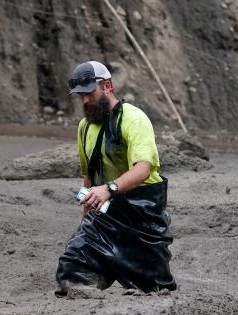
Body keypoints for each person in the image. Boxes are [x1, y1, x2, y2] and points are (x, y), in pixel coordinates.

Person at [55, 60, 177, 295]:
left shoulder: (135, 119)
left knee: (156, 288)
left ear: (107, 86)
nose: (85, 101)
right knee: (72, 267)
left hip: (143, 216)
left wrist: (108, 188)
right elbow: (88, 175)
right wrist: (85, 219)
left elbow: (143, 169)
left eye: (89, 93)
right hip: (105, 213)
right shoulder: (84, 127)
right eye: (80, 96)